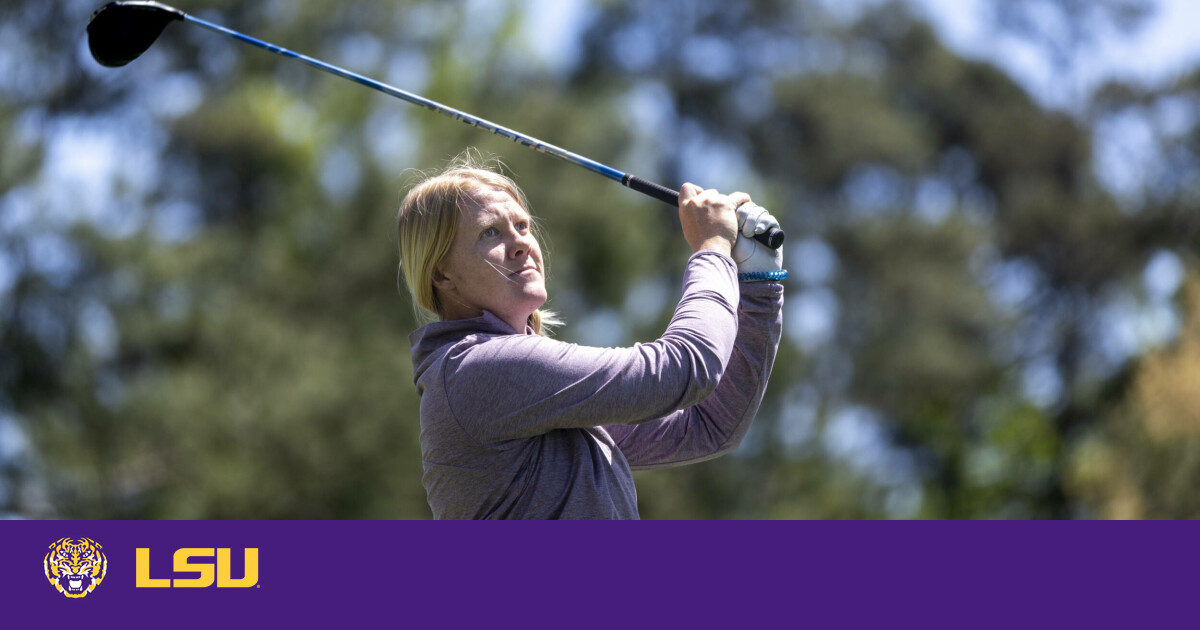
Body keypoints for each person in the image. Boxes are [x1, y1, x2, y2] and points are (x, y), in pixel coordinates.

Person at [396, 152, 785, 519]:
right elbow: (683, 369)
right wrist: (713, 248)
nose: (520, 244)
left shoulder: (532, 391)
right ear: (441, 274)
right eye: (489, 233)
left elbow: (708, 428)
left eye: (522, 226)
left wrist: (759, 284)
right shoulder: (478, 370)